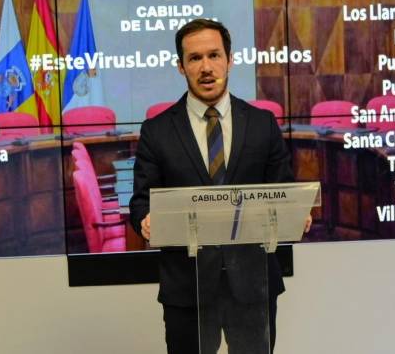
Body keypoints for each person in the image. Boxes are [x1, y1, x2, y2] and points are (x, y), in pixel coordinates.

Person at [129, 18, 307, 354]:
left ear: (230, 59)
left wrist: (295, 213)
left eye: (214, 55)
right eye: (195, 58)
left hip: (253, 284)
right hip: (187, 286)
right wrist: (145, 220)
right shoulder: (157, 131)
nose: (206, 67)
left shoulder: (262, 124)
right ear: (181, 67)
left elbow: (283, 187)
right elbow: (140, 203)